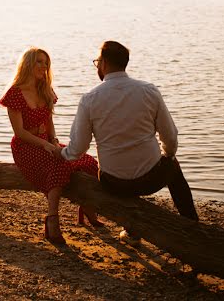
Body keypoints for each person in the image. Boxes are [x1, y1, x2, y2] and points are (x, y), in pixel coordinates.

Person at [60, 40, 199, 241]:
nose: (97, 65)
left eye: (98, 61)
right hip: (150, 179)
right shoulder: (148, 91)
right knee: (172, 166)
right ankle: (192, 225)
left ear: (104, 64)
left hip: (113, 182)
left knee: (120, 164)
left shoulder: (90, 99)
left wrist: (61, 153)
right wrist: (166, 155)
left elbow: (78, 148)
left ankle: (132, 230)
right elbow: (170, 136)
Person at [0, 47, 101, 246]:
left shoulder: (44, 89)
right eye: (39, 62)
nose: (44, 66)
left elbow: (49, 121)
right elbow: (20, 132)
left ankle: (87, 207)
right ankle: (52, 220)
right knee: (59, 166)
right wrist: (45, 144)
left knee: (88, 161)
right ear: (28, 64)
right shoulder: (14, 93)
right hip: (25, 146)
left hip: (47, 142)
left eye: (46, 63)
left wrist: (53, 141)